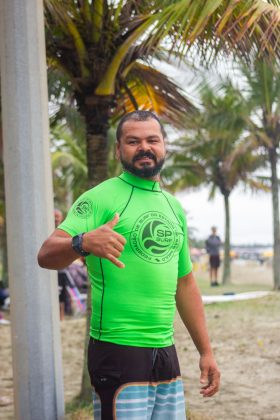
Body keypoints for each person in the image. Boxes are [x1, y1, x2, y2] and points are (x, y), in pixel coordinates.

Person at [38, 111, 220, 419]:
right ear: (118, 149)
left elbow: (185, 283)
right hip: (117, 349)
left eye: (152, 140)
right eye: (133, 141)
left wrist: (206, 352)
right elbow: (45, 254)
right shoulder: (100, 198)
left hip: (165, 351)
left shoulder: (173, 207)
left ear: (165, 146)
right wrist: (82, 242)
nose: (144, 147)